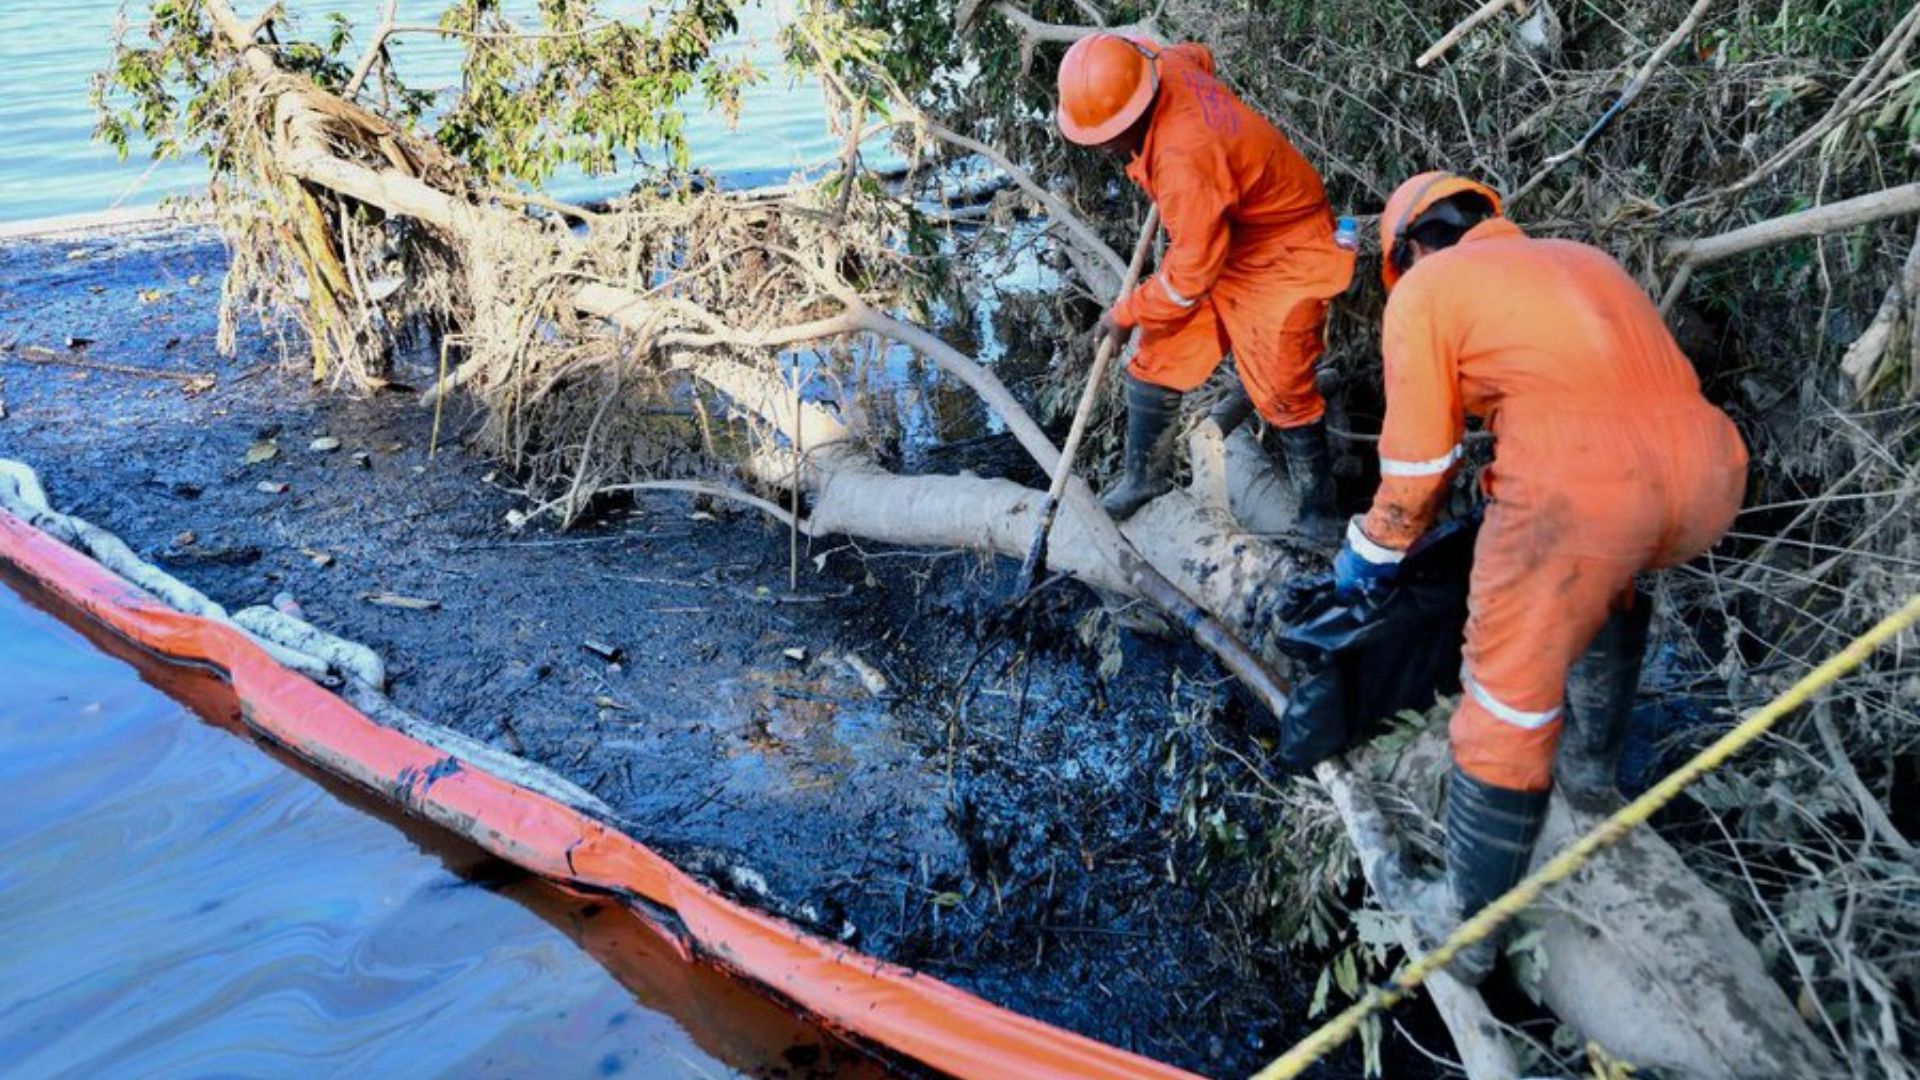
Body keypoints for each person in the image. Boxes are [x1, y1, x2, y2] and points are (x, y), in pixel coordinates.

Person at [1333, 172, 1749, 982]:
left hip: (1580, 490)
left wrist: (1369, 556)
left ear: (1409, 251)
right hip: (1709, 473)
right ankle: (1590, 778)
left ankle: (1467, 929)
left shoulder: (1426, 292)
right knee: (1606, 586)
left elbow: (1418, 468)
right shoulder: (1584, 259)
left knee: (1504, 698)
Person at [1054, 33, 1354, 542]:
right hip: (1225, 231)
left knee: (1283, 388)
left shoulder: (1185, 160)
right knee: (1159, 356)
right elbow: (1201, 56)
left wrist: (1125, 313)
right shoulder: (1161, 60)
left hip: (1284, 247)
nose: (1102, 147)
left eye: (1107, 136)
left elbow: (1189, 278)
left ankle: (1319, 517)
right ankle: (1144, 479)